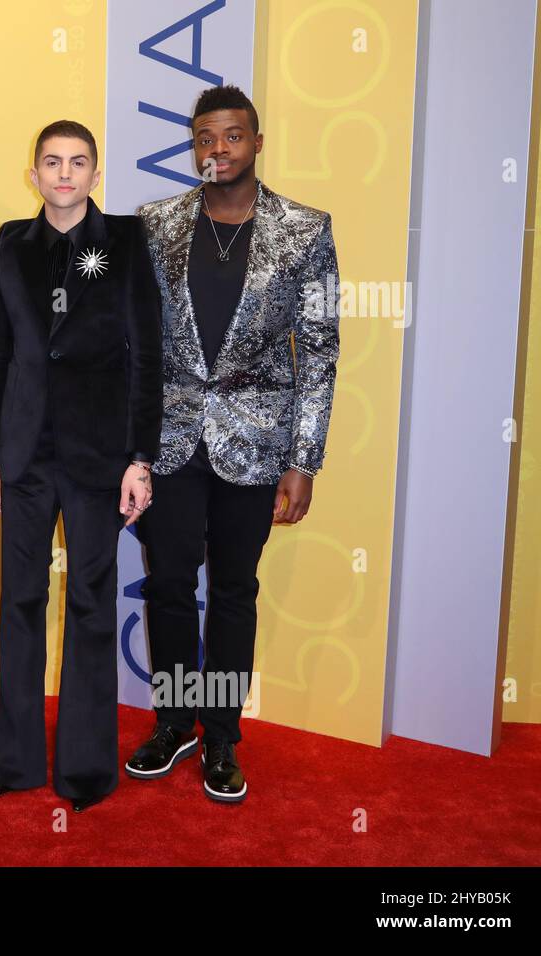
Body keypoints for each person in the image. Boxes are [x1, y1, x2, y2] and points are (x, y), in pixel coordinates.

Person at [129, 85, 341, 802]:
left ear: (256, 141)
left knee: (233, 592)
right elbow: (137, 344)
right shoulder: (155, 225)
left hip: (257, 444)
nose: (216, 149)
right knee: (165, 585)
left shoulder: (306, 231)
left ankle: (220, 735)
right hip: (173, 438)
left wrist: (304, 459)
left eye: (231, 136)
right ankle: (170, 722)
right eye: (204, 137)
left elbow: (318, 351)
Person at [0, 120, 163, 813]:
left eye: (77, 162)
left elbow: (146, 355)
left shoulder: (126, 242)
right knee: (19, 606)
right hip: (23, 456)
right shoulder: (12, 244)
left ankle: (86, 768)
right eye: (51, 162)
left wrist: (141, 458)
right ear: (34, 173)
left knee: (90, 606)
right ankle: (18, 762)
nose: (63, 174)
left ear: (95, 173)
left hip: (97, 459)